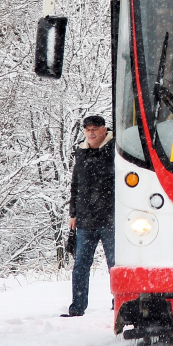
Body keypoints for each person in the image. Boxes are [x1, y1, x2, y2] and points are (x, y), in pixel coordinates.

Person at [62, 114, 114, 317]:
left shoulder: (114, 150)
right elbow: (76, 185)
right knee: (81, 265)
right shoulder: (81, 153)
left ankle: (118, 302)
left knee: (115, 264)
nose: (91, 133)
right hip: (85, 219)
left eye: (95, 129)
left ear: (104, 130)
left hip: (111, 218)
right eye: (87, 129)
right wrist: (73, 214)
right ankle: (77, 307)